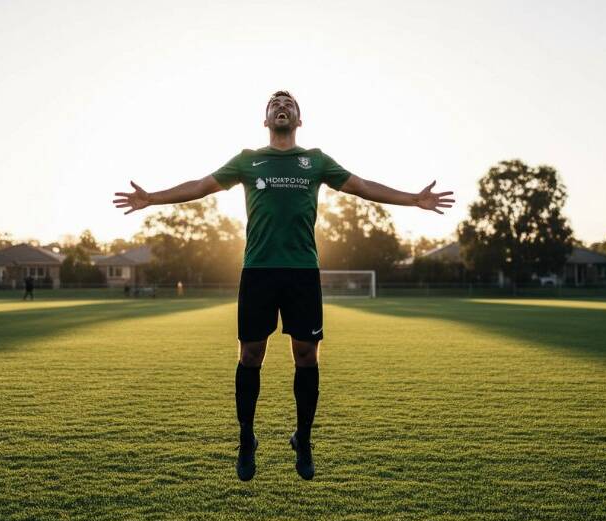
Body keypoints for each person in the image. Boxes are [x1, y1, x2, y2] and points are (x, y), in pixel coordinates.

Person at [113, 91, 454, 481]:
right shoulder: (247, 159)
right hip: (258, 271)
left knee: (307, 355)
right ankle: (246, 439)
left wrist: (414, 199)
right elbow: (200, 186)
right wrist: (152, 198)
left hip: (301, 272)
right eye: (275, 103)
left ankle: (303, 439)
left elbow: (362, 186)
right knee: (250, 355)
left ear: (298, 119)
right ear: (265, 119)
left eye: (288, 103)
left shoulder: (316, 161)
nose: (281, 105)